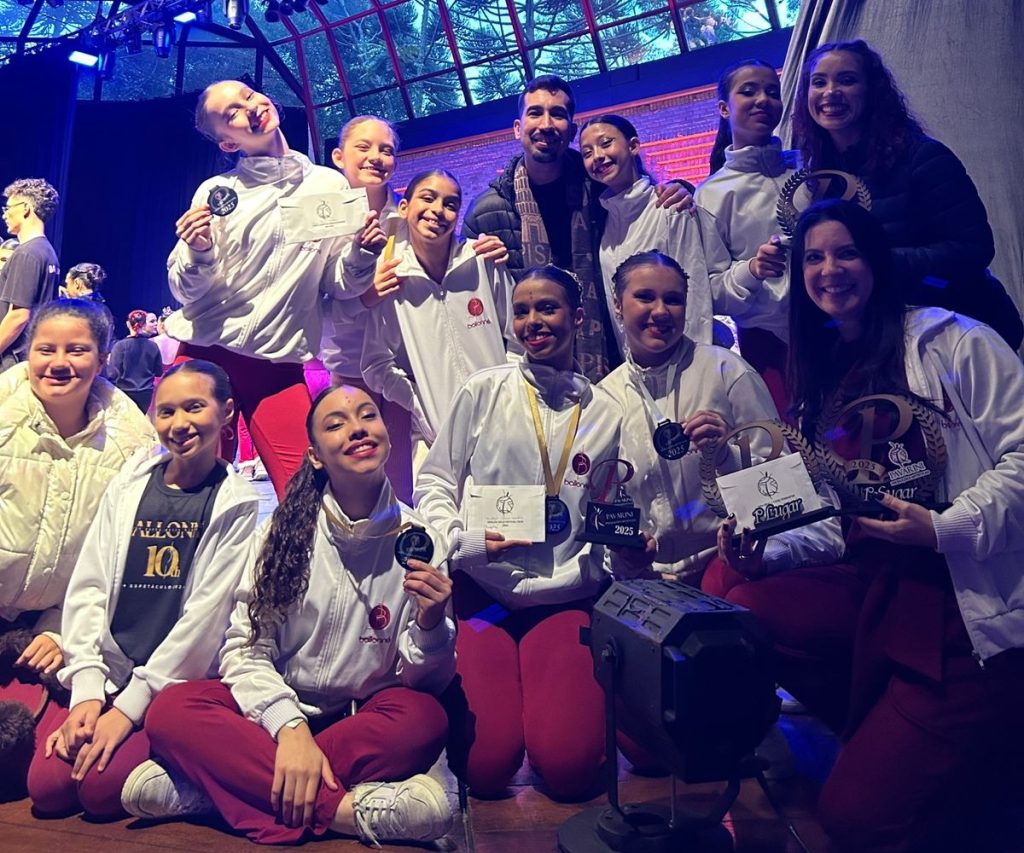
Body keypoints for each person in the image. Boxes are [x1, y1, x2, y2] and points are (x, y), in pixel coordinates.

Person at [706, 200, 1024, 851]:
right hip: (885, 594)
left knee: (853, 818)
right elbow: (834, 519)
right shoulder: (824, 376)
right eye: (813, 258)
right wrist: (765, 549)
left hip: (969, 608)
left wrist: (943, 527)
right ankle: (911, 742)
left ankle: (982, 759)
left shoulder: (955, 341)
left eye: (845, 251)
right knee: (743, 596)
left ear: (875, 257)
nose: (829, 269)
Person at [136, 384, 456, 847]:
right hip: (270, 715)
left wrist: (431, 628)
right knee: (171, 710)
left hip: (357, 720)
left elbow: (424, 682)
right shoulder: (283, 531)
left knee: (425, 718)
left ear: (386, 433)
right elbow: (246, 648)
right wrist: (289, 727)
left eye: (367, 415)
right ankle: (347, 811)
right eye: (336, 424)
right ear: (315, 456)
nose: (357, 428)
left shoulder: (423, 541)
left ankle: (216, 789)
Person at [415, 265, 642, 800]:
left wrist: (629, 553)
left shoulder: (606, 412)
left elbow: (615, 507)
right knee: (487, 769)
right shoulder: (484, 390)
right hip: (485, 599)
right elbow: (434, 483)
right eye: (522, 310)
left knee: (569, 769)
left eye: (548, 308)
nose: (533, 321)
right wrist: (464, 542)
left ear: (578, 318)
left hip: (564, 601)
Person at [26, 360, 259, 820]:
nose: (179, 424)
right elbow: (89, 587)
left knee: (100, 792)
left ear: (227, 411)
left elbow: (203, 625)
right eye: (166, 411)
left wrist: (126, 711)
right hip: (108, 671)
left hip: (167, 685)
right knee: (47, 791)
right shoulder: (130, 486)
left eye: (195, 407)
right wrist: (88, 692)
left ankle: (200, 782)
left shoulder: (237, 504)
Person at [166, 80, 367, 499]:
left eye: (248, 95)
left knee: (309, 494)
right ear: (226, 143)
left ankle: (291, 567)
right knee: (187, 490)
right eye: (232, 113)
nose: (250, 107)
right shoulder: (217, 192)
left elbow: (339, 283)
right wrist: (198, 251)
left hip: (275, 364)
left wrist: (363, 253)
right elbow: (185, 291)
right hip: (205, 356)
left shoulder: (330, 187)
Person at [598, 251, 841, 576]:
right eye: (644, 297)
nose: (660, 311)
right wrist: (626, 558)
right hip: (648, 585)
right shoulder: (604, 398)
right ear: (617, 304)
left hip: (725, 574)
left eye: (673, 300)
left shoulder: (727, 372)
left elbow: (795, 499)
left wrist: (727, 457)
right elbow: (606, 518)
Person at [0, 299, 155, 799]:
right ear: (29, 354)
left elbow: (121, 562)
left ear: (103, 358)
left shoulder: (132, 444)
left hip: (56, 626)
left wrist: (62, 628)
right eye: (46, 349)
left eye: (77, 350)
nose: (59, 362)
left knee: (55, 783)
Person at [791, 39, 1022, 349]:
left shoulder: (923, 157)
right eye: (819, 82)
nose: (831, 92)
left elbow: (974, 249)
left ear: (872, 90)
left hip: (963, 332)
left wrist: (878, 259)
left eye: (847, 80)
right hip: (892, 335)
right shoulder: (821, 175)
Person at [462, 75, 691, 382]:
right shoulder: (486, 214)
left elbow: (639, 198)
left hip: (614, 366)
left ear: (570, 130)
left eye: (557, 114)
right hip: (533, 376)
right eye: (535, 113)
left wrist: (682, 188)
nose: (546, 123)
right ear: (518, 129)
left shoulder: (599, 187)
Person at [361, 170, 518, 452]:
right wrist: (419, 403)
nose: (438, 210)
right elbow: (375, 364)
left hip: (506, 427)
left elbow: (519, 336)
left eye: (450, 204)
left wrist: (513, 391)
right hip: (438, 442)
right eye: (428, 198)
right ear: (405, 208)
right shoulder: (392, 277)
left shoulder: (483, 260)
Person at [579, 113, 726, 354]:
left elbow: (695, 293)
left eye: (606, 143)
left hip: (682, 362)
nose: (598, 156)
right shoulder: (602, 226)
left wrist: (697, 365)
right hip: (635, 368)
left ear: (633, 145)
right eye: (587, 153)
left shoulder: (670, 208)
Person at [697, 59, 795, 416]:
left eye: (772, 91)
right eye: (748, 91)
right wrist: (751, 269)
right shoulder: (710, 195)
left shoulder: (809, 169)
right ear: (724, 108)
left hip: (839, 329)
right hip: (768, 346)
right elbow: (710, 290)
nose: (763, 100)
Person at [0, 179, 60, 370]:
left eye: (8, 208)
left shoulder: (26, 253)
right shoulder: (47, 252)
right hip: (30, 356)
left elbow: (19, 315)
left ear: (25, 208)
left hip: (13, 360)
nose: (5, 215)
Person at [108, 309, 164, 413]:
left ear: (128, 324)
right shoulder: (153, 346)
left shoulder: (120, 346)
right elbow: (159, 371)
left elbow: (112, 373)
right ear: (144, 324)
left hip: (125, 393)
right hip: (146, 393)